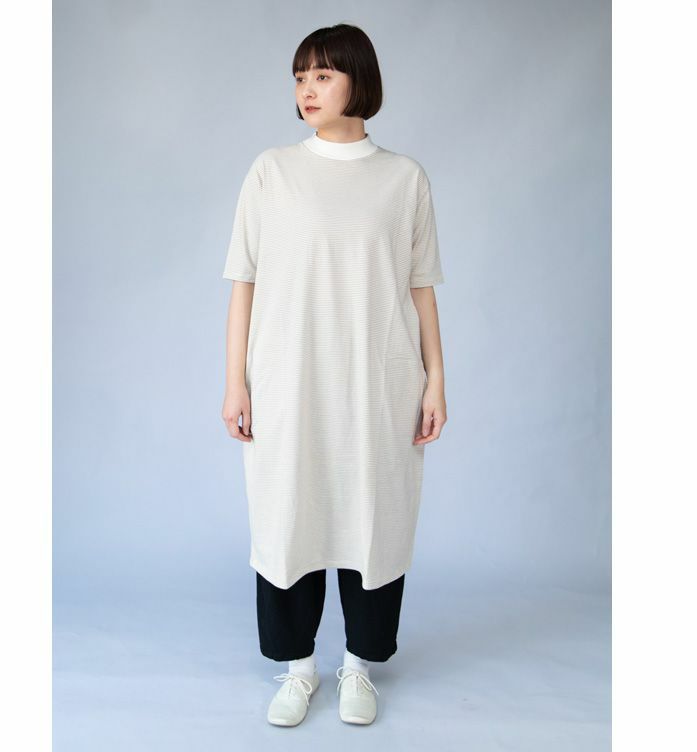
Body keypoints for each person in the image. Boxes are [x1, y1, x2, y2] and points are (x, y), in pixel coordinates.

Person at [220, 23, 447, 727]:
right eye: (299, 77)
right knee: (289, 512)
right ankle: (297, 669)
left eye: (322, 75)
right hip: (289, 378)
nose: (307, 90)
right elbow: (244, 281)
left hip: (379, 380)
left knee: (373, 516)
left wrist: (436, 378)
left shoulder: (403, 178)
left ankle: (358, 666)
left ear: (358, 80)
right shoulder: (272, 171)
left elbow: (420, 286)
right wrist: (235, 381)